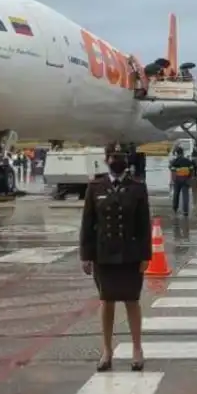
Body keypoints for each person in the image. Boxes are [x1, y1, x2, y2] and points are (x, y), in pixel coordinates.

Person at [79, 145, 152, 372]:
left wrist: (146, 255)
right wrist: (86, 255)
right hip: (104, 254)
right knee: (106, 301)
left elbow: (144, 224)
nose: (117, 162)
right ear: (106, 159)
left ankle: (137, 349)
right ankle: (107, 350)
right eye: (113, 158)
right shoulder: (95, 187)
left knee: (132, 301)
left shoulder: (137, 188)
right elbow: (87, 224)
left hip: (130, 254)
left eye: (120, 158)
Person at [169, 146, 195, 218]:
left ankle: (175, 209)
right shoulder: (188, 161)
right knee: (185, 196)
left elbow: (173, 171)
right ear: (183, 153)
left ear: (177, 153)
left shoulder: (175, 161)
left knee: (176, 195)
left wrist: (172, 181)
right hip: (186, 180)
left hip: (177, 180)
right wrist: (190, 178)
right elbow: (192, 170)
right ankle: (185, 211)